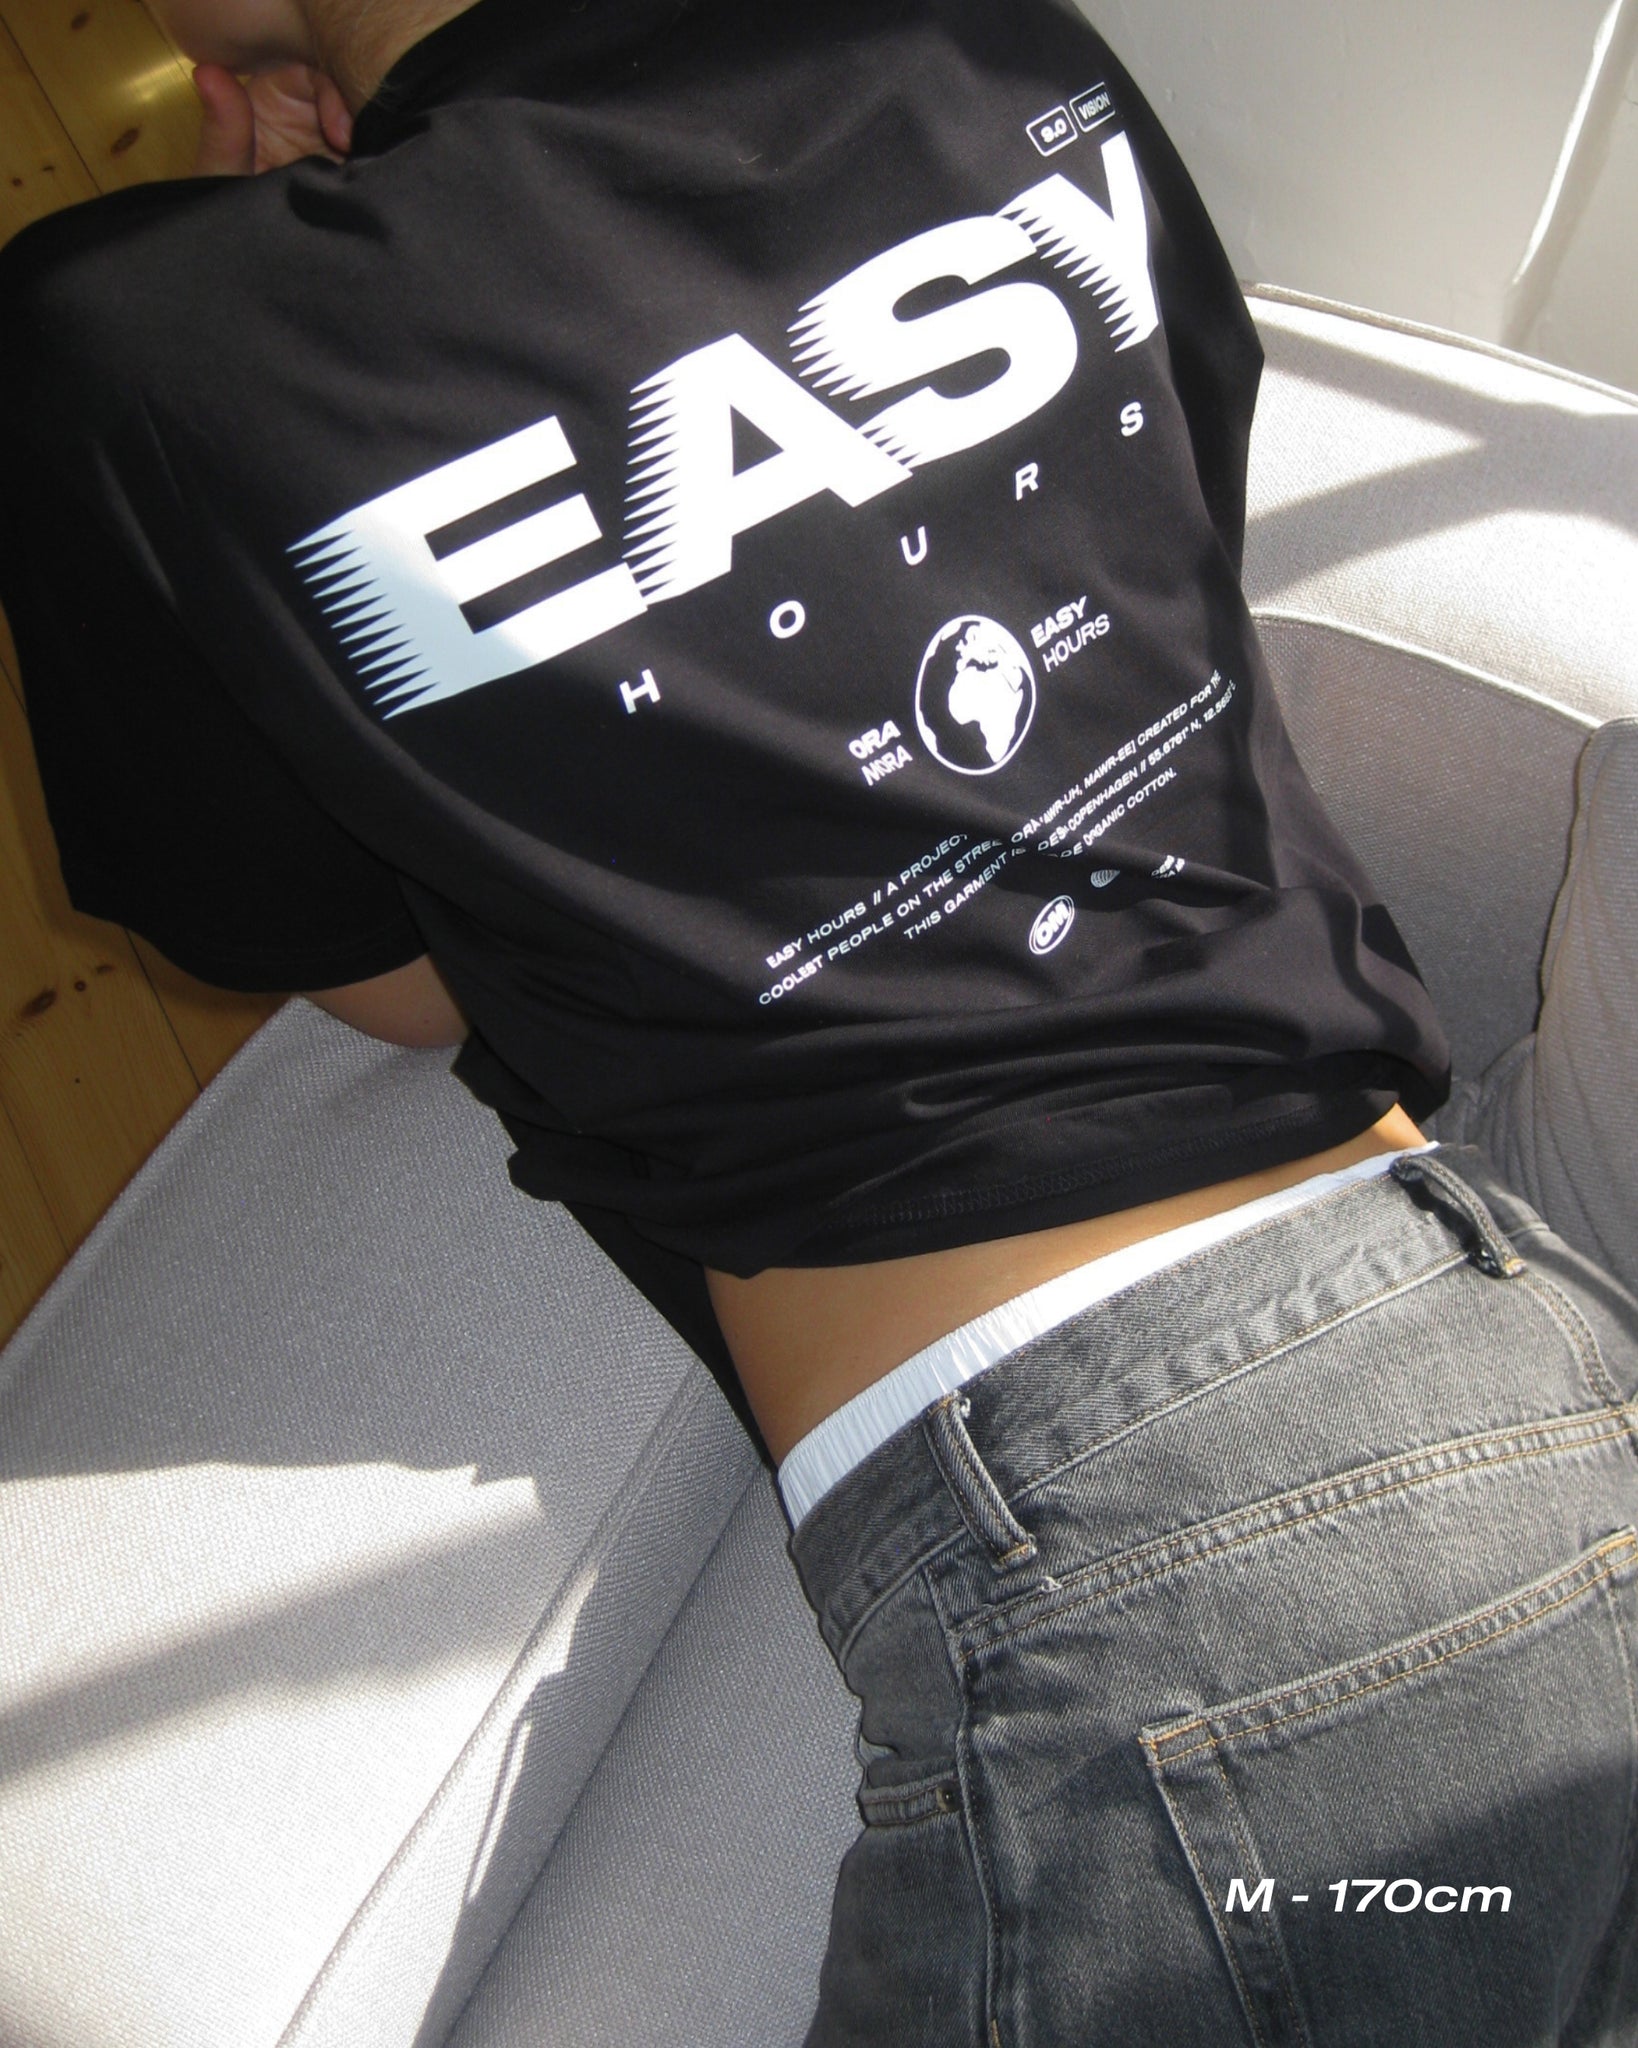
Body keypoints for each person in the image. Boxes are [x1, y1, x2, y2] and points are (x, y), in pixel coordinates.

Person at [1, 1, 1634, 2039]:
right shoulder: (981, 39)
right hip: (1528, 1366)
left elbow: (386, 985)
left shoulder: (132, 333)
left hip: (1163, 1552)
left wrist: (270, 361)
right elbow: (1162, 590)